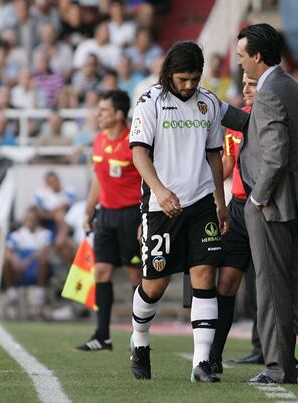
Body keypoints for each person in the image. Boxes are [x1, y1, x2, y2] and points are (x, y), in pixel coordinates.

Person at [221, 23, 298, 385]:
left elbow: (273, 155)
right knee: (285, 282)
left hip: (271, 205)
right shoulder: (287, 84)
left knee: (272, 289)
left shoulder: (270, 91)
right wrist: (220, 111)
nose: (240, 62)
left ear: (257, 56)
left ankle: (278, 367)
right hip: (296, 203)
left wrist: (257, 199)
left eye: (242, 55)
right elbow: (262, 129)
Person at [128, 41, 229, 383]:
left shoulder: (209, 103)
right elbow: (139, 153)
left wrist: (220, 200)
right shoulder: (149, 102)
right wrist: (159, 189)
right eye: (183, 79)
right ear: (169, 73)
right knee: (154, 286)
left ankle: (201, 363)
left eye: (194, 79)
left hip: (201, 202)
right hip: (161, 205)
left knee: (204, 276)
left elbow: (214, 154)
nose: (188, 85)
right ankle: (139, 341)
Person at [76, 90, 143, 351]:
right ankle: (102, 336)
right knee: (101, 271)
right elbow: (98, 179)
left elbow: (147, 180)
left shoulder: (134, 142)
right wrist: (88, 210)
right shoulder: (99, 140)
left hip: (131, 215)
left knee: (136, 274)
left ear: (118, 114)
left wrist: (144, 218)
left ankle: (140, 336)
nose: (98, 114)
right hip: (106, 215)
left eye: (103, 110)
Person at [208, 73, 261, 373]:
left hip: (265, 208)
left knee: (265, 287)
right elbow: (227, 165)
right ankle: (213, 356)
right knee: (227, 282)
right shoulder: (236, 124)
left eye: (251, 84)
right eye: (243, 84)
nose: (245, 89)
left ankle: (271, 350)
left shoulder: (272, 120)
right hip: (238, 208)